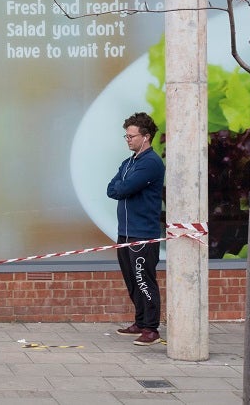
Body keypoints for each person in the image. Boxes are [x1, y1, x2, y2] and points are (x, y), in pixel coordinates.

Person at [106, 112, 165, 346]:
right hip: (126, 231)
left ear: (146, 137)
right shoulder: (129, 162)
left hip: (143, 233)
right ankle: (140, 321)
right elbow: (112, 189)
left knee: (144, 279)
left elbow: (124, 188)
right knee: (131, 280)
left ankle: (151, 328)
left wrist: (123, 187)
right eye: (126, 136)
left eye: (132, 136)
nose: (128, 140)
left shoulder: (151, 163)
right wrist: (123, 187)